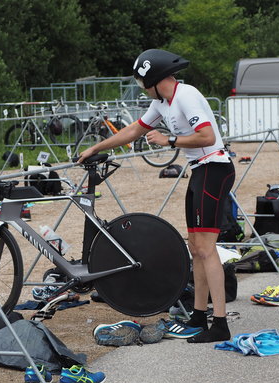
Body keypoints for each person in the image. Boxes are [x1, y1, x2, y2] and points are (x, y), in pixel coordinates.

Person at [77, 49, 235, 343]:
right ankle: (199, 316)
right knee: (195, 246)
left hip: (215, 168)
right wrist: (98, 147)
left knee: (206, 248)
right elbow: (136, 128)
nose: (141, 88)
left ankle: (221, 324)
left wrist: (169, 139)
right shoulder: (162, 102)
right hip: (200, 170)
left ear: (154, 78)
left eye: (141, 82)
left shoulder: (185, 95)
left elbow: (207, 136)